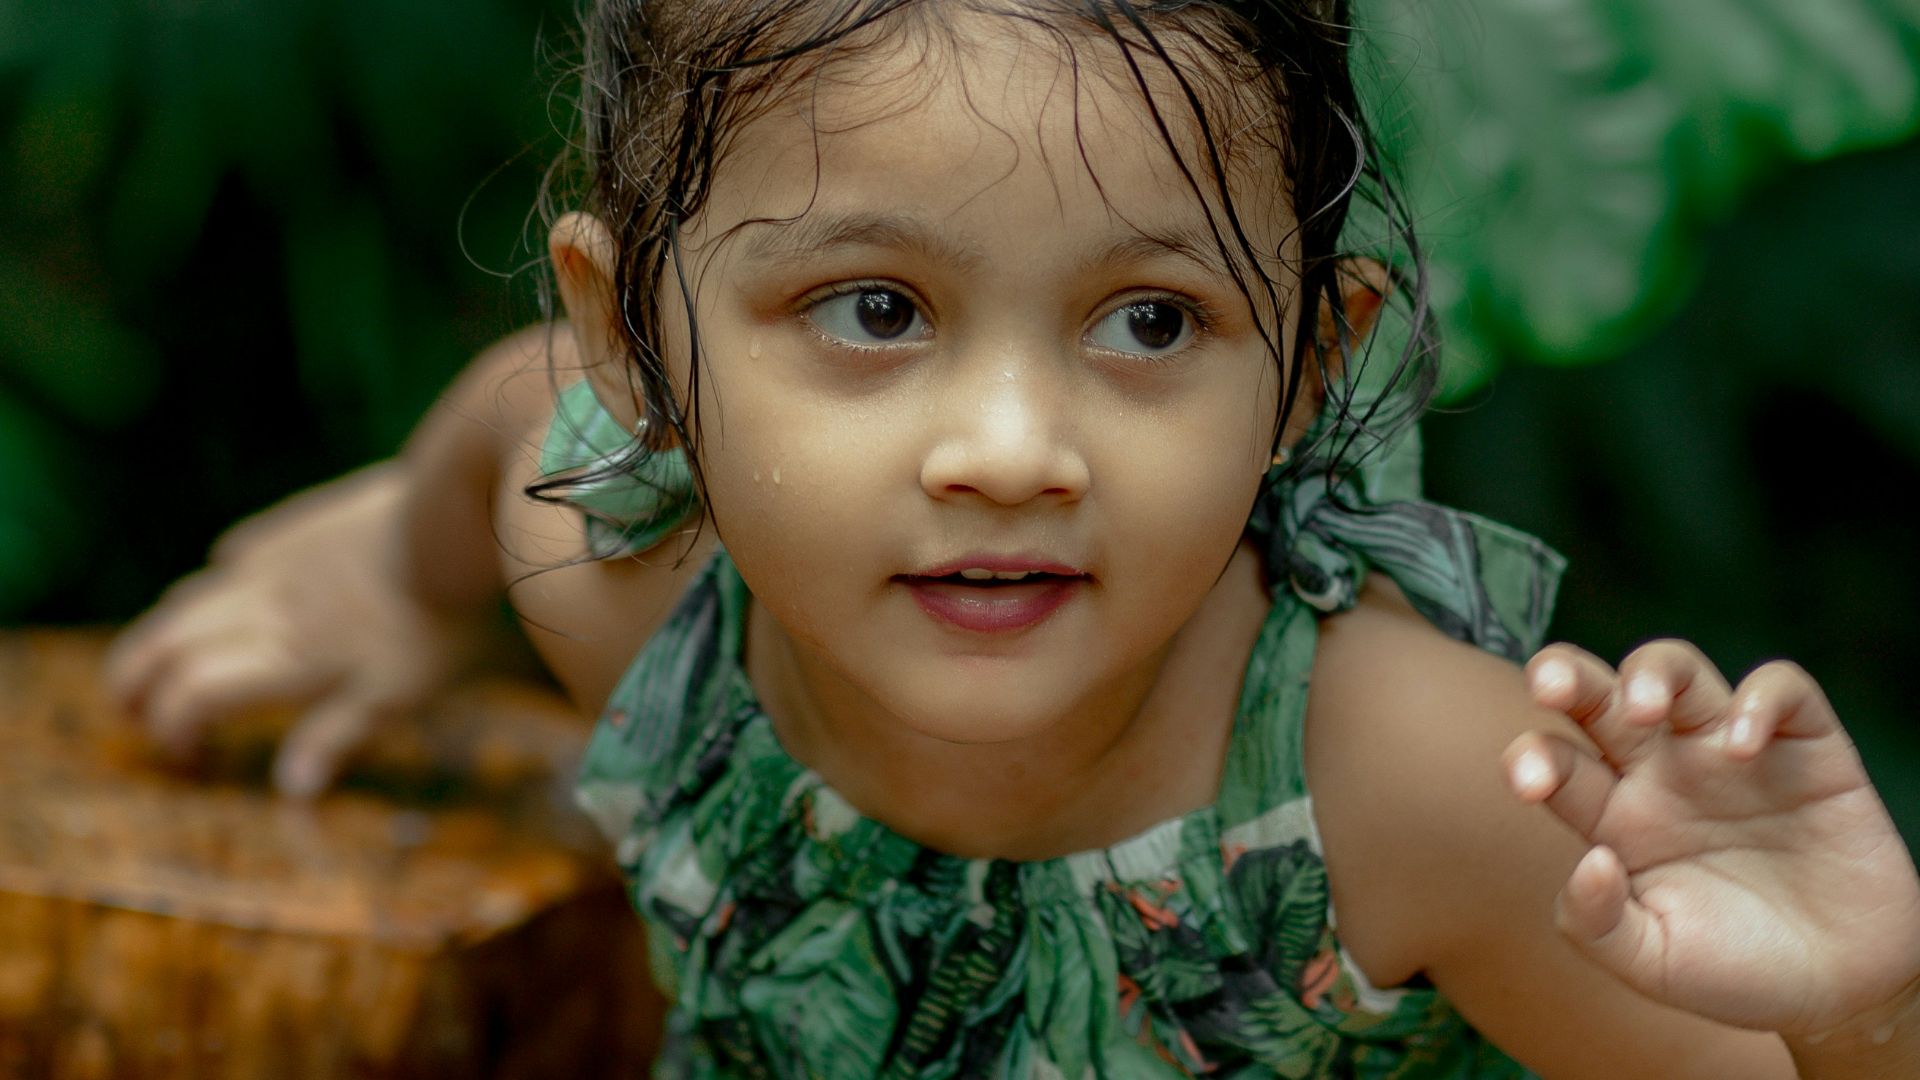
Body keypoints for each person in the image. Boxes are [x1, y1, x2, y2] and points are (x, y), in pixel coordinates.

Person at [103, 2, 1920, 1076]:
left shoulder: (1410, 792)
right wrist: (384, 582)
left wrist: (1860, 1010)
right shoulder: (623, 578)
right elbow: (507, 420)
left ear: (1314, 364)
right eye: (875, 310)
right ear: (640, 345)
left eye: (1149, 324)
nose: (1009, 451)